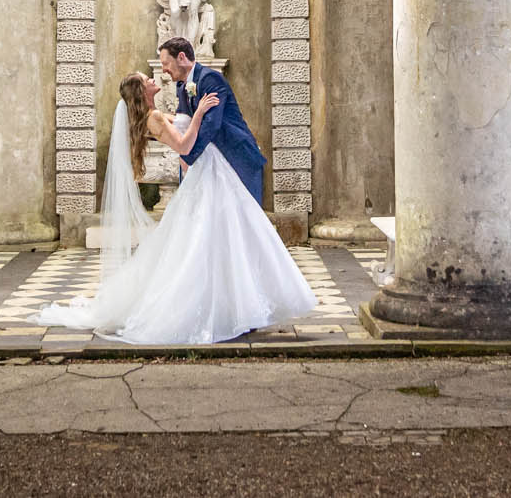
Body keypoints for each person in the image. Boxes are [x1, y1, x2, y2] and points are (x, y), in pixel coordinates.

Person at [37, 69, 315, 344]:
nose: (151, 79)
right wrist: (198, 115)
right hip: (205, 172)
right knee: (203, 241)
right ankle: (223, 308)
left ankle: (229, 306)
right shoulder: (154, 117)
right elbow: (183, 146)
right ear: (141, 91)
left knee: (206, 240)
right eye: (145, 80)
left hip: (209, 172)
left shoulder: (155, 114)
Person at [159, 36, 266, 204]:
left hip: (237, 155)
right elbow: (184, 121)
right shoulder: (182, 86)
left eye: (166, 63)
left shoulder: (210, 79)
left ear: (181, 57)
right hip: (212, 161)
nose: (164, 69)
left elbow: (212, 124)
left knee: (245, 218)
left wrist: (189, 156)